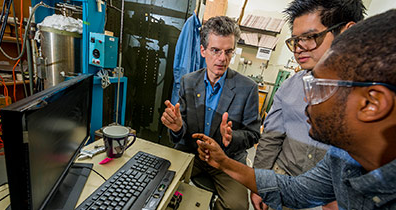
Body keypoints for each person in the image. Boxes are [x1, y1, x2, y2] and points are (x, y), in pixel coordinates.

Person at [194, 9, 396, 210]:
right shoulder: (341, 158)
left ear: (372, 103)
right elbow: (298, 191)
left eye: (320, 87)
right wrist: (223, 162)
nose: (307, 100)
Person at [253, 1, 366, 209]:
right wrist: (260, 184)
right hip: (283, 185)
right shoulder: (289, 87)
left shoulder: (373, 97)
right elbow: (270, 140)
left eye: (311, 37)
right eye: (296, 40)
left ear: (349, 32)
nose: (299, 48)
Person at [161, 16, 260, 209]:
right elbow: (179, 134)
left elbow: (254, 134)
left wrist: (231, 138)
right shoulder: (188, 81)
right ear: (203, 50)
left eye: (228, 51)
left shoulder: (248, 88)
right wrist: (177, 128)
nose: (222, 58)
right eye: (215, 50)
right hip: (192, 153)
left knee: (237, 206)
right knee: (161, 184)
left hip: (227, 160)